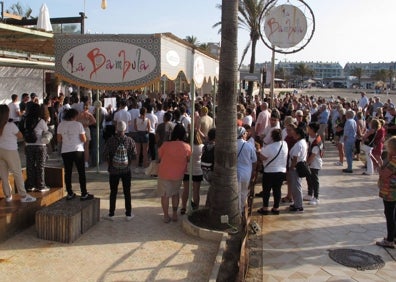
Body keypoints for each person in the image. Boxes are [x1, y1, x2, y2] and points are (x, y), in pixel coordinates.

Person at [0, 105, 36, 203]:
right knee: (17, 173)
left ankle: (8, 196)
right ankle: (23, 195)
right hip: (11, 150)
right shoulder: (10, 125)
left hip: (0, 151)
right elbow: (20, 136)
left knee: (3, 175)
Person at [103, 121, 137, 221]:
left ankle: (111, 213)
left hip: (113, 170)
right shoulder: (130, 141)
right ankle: (128, 213)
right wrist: (128, 162)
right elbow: (134, 155)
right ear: (125, 129)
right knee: (127, 192)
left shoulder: (110, 141)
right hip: (126, 170)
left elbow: (105, 156)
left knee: (113, 192)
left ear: (116, 129)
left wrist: (110, 163)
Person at [57, 108, 94, 201]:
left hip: (65, 150)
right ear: (74, 116)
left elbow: (59, 140)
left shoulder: (61, 125)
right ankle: (84, 193)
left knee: (68, 172)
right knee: (81, 172)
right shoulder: (78, 125)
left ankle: (69, 193)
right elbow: (83, 139)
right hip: (77, 150)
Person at [157, 124, 191, 223]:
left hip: (164, 172)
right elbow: (188, 160)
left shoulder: (165, 145)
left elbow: (159, 158)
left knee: (165, 195)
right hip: (179, 173)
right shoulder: (187, 147)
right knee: (175, 193)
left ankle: (166, 216)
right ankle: (175, 214)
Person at [256, 129, 288, 215]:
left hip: (269, 171)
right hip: (281, 171)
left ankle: (265, 207)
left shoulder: (269, 147)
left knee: (266, 190)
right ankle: (276, 208)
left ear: (272, 137)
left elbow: (263, 157)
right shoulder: (284, 144)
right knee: (277, 190)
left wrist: (259, 152)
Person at [23, 103, 49, 192]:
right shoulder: (41, 121)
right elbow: (46, 132)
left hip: (29, 145)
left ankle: (31, 185)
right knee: (40, 166)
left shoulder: (26, 120)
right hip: (40, 146)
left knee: (30, 166)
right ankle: (41, 186)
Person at [375, 136, 396, 249]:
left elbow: (384, 174)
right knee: (394, 214)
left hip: (390, 191)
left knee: (390, 215)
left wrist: (380, 167)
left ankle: (389, 240)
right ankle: (393, 236)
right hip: (393, 191)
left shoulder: (394, 161)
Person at [181, 130, 204, 215]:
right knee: (196, 191)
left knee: (186, 190)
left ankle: (183, 207)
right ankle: (196, 208)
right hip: (198, 170)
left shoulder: (187, 146)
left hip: (187, 170)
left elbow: (186, 159)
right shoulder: (202, 146)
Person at [237, 126, 257, 214]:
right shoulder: (249, 146)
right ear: (243, 134)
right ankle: (241, 211)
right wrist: (253, 172)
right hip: (246, 173)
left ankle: (236, 211)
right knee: (243, 192)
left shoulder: (232, 144)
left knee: (236, 193)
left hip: (234, 173)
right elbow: (254, 161)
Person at [288, 126, 308, 212]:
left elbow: (295, 158)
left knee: (296, 186)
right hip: (298, 165)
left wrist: (291, 167)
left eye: (295, 133)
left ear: (298, 135)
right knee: (295, 186)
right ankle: (296, 203)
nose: (293, 134)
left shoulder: (299, 144)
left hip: (296, 167)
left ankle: (299, 205)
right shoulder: (302, 142)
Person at [306, 122, 323, 205]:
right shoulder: (309, 137)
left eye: (308, 128)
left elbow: (313, 156)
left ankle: (316, 197)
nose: (307, 129)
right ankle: (310, 194)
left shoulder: (317, 142)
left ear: (312, 129)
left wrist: (306, 164)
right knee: (309, 178)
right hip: (310, 162)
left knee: (314, 180)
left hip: (315, 163)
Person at [77, 102, 96, 168]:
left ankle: (80, 161)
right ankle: (86, 162)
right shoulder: (89, 114)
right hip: (86, 129)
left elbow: (75, 121)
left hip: (79, 130)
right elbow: (94, 121)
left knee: (79, 146)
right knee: (86, 148)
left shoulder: (79, 114)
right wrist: (88, 124)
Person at [134, 107, 151, 172]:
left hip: (138, 134)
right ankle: (145, 167)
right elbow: (149, 129)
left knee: (138, 152)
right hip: (145, 134)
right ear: (145, 112)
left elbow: (135, 128)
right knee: (145, 152)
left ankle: (136, 167)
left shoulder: (136, 119)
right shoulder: (148, 120)